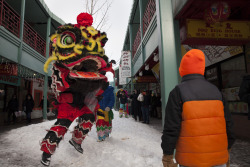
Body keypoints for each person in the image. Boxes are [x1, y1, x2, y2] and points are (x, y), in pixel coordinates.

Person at [161, 49, 235, 167]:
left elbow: (171, 127)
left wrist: (167, 156)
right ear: (201, 69)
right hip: (218, 158)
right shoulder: (216, 91)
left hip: (190, 160)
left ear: (182, 70)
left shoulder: (177, 92)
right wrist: (228, 148)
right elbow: (229, 125)